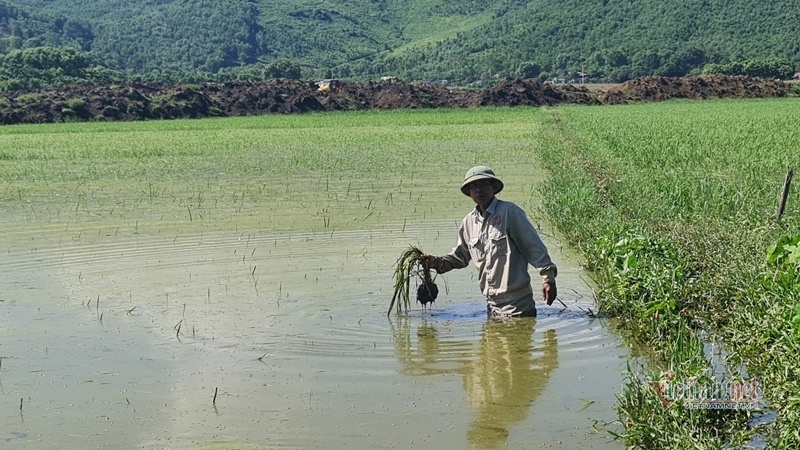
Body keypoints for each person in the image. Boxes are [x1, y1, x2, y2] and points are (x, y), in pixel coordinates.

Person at [421, 166, 557, 317]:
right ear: (469, 192)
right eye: (473, 186)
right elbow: (461, 256)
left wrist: (548, 278)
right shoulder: (469, 222)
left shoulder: (510, 212)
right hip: (491, 305)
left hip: (518, 304)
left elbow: (533, 247)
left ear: (493, 187)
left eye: (483, 184)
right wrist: (436, 262)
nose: (478, 189)